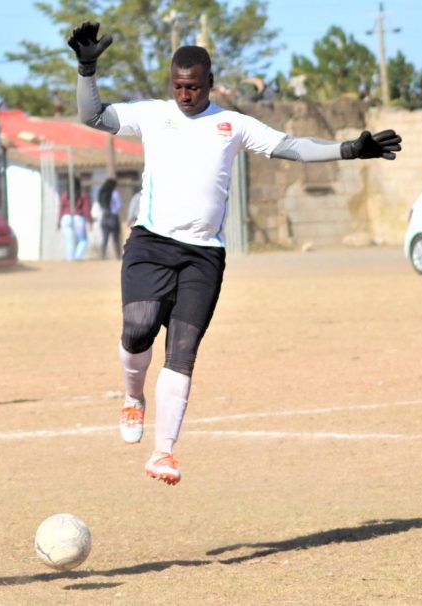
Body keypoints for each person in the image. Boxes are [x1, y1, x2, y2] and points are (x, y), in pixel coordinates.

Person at [69, 22, 402, 485]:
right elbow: (94, 117)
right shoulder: (152, 114)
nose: (185, 95)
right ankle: (132, 396)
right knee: (139, 326)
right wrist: (87, 69)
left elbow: (291, 147)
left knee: (182, 352)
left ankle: (163, 453)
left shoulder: (233, 124)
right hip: (151, 242)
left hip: (204, 255)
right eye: (179, 87)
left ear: (210, 83)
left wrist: (348, 149)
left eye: (194, 87)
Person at [58, 177, 93, 260]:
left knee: (69, 241)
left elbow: (61, 209)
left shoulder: (65, 195)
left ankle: (70, 259)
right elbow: (86, 210)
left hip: (66, 218)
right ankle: (78, 256)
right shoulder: (83, 195)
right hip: (78, 218)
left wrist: (58, 221)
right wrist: (90, 221)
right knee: (83, 240)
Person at [97, 177, 123, 259]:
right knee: (116, 239)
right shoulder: (114, 194)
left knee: (105, 239)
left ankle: (103, 256)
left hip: (104, 218)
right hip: (113, 218)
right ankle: (118, 256)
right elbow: (119, 206)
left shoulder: (101, 193)